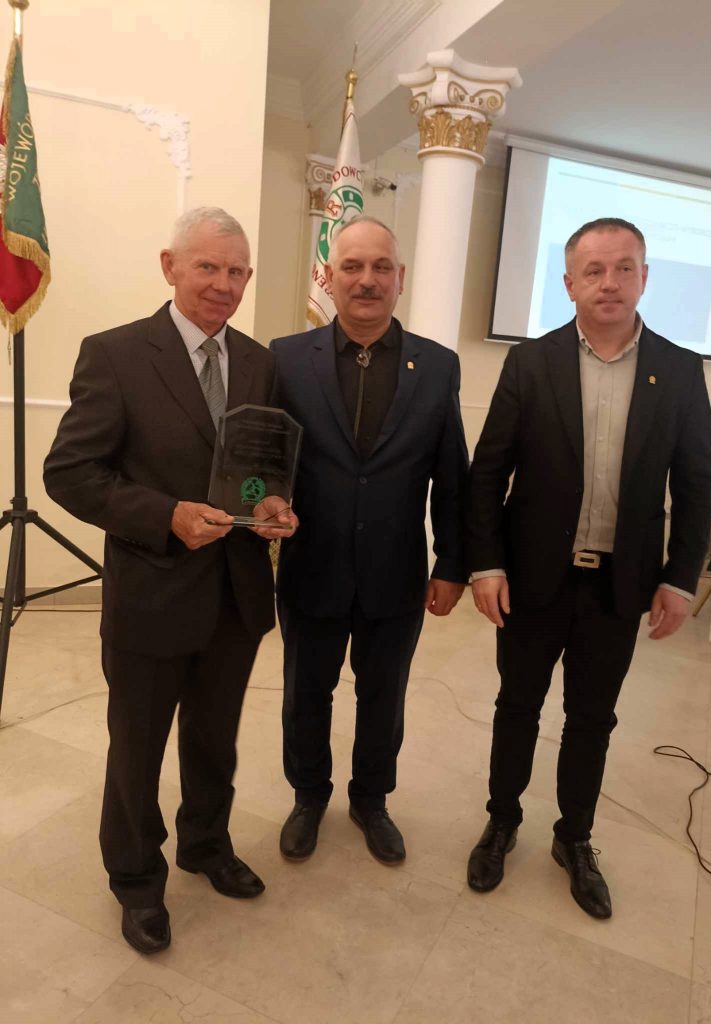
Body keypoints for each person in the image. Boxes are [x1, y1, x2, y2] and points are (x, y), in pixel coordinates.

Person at [44, 207, 297, 954]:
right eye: (207, 267)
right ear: (170, 266)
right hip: (151, 594)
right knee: (137, 750)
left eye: (236, 271)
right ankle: (135, 880)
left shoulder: (259, 362)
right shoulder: (116, 354)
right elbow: (70, 473)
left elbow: (254, 471)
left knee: (214, 743)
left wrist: (271, 505)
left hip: (236, 595)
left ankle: (206, 845)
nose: (223, 284)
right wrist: (165, 516)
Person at [465, 217, 711, 918]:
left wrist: (679, 577)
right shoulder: (530, 363)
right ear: (569, 283)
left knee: (592, 718)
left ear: (644, 277)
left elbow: (696, 482)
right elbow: (488, 473)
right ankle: (502, 821)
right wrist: (485, 564)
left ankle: (573, 837)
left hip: (618, 586)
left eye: (624, 268)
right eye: (594, 270)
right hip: (532, 580)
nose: (610, 282)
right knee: (517, 706)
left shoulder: (679, 369)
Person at [270, 216, 468, 865]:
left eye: (381, 266)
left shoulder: (437, 367)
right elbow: (263, 461)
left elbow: (452, 473)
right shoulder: (285, 358)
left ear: (399, 278)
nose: (366, 279)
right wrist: (257, 507)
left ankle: (371, 799)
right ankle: (308, 796)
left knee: (383, 697)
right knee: (306, 693)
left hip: (396, 572)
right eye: (351, 266)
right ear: (327, 277)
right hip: (311, 566)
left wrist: (452, 564)